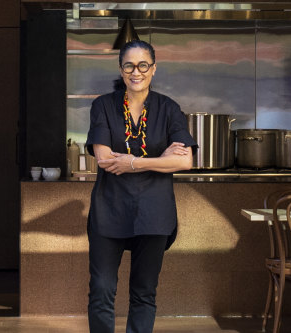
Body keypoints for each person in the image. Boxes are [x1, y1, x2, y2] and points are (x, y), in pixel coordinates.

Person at [85, 40, 198, 333]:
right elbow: (104, 158)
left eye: (143, 65)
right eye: (129, 65)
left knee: (144, 293)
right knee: (101, 290)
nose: (137, 72)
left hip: (154, 213)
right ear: (121, 70)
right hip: (109, 210)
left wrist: (134, 163)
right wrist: (162, 159)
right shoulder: (103, 106)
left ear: (153, 69)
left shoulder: (169, 108)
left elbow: (185, 162)